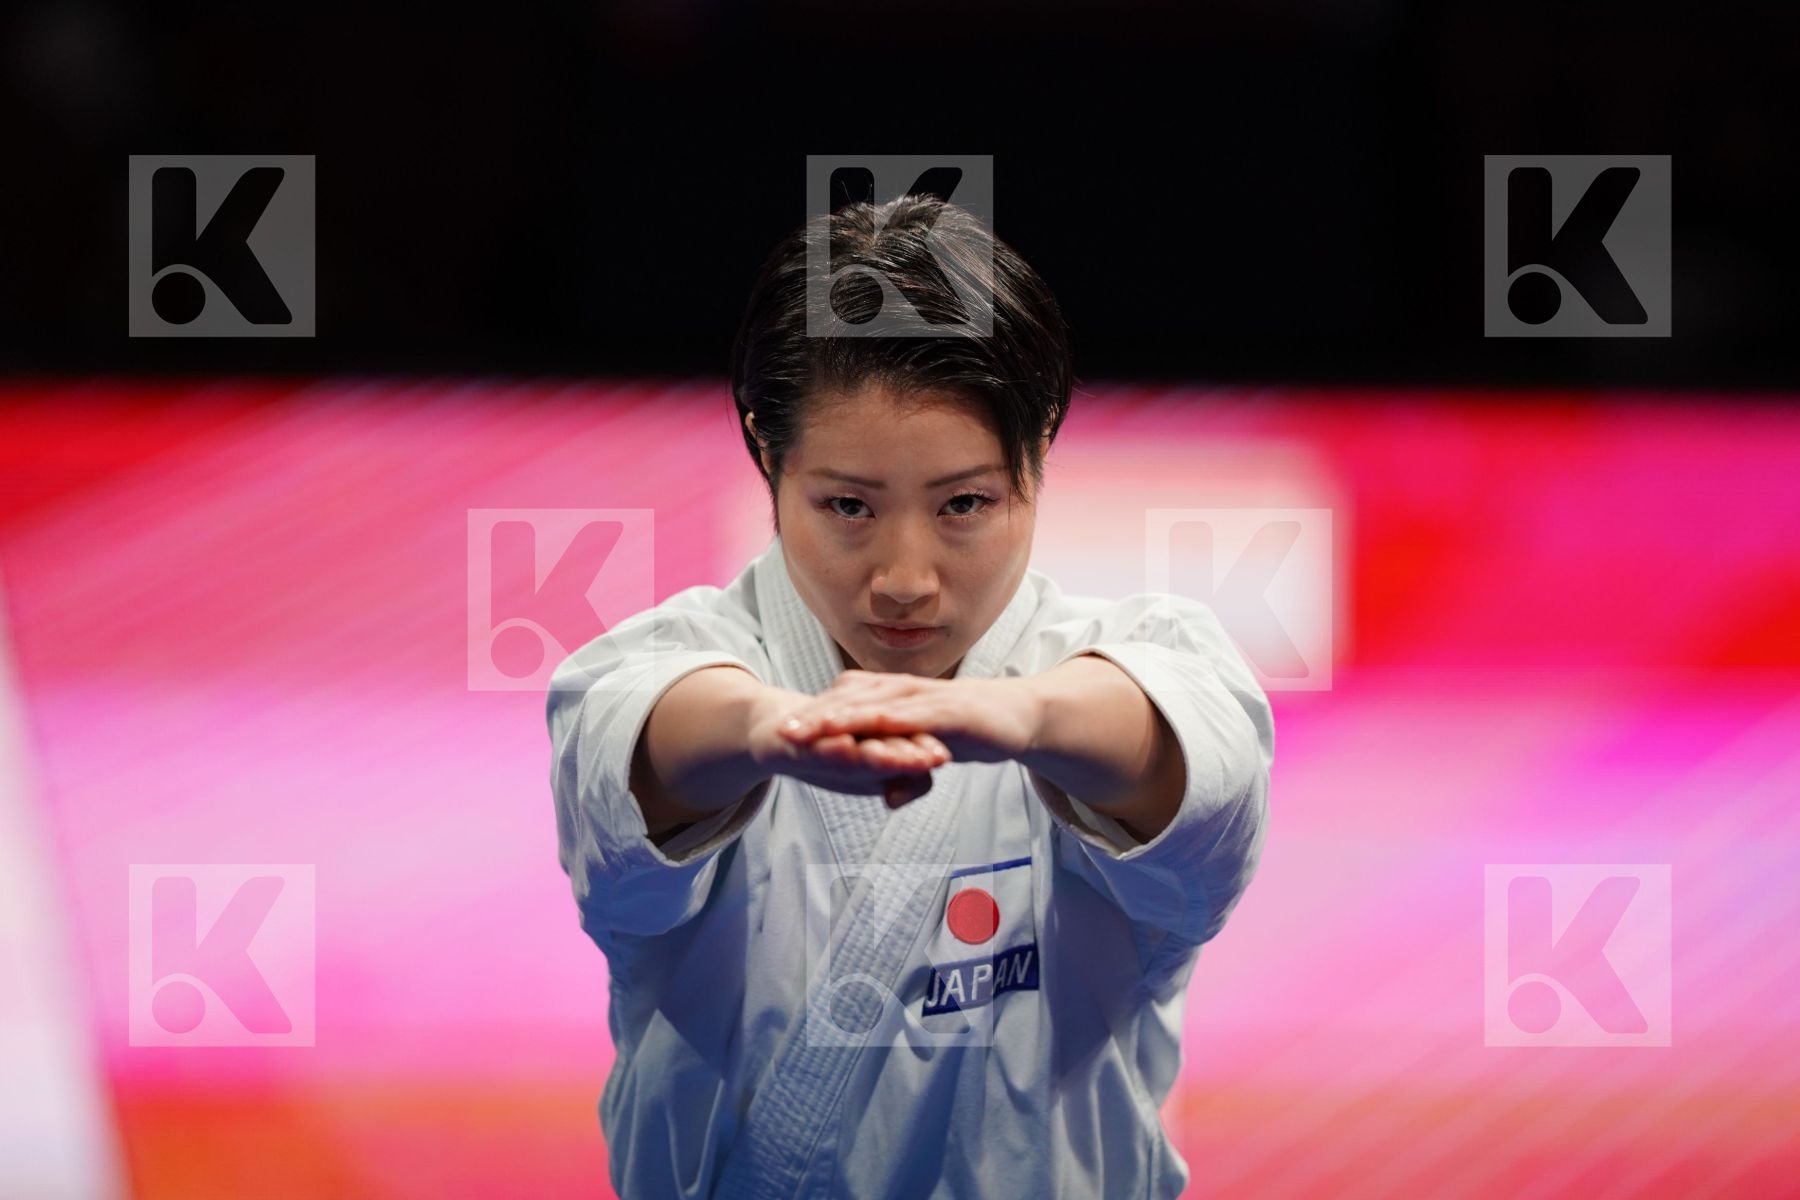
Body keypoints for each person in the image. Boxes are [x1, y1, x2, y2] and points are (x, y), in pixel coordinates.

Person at [546, 194, 1274, 1199]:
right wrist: (768, 730)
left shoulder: (1141, 659)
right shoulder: (668, 663)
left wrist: (1020, 716)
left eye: (964, 505)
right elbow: (655, 727)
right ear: (767, 450)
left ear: (1041, 448)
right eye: (848, 505)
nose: (904, 576)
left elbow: (1194, 764)